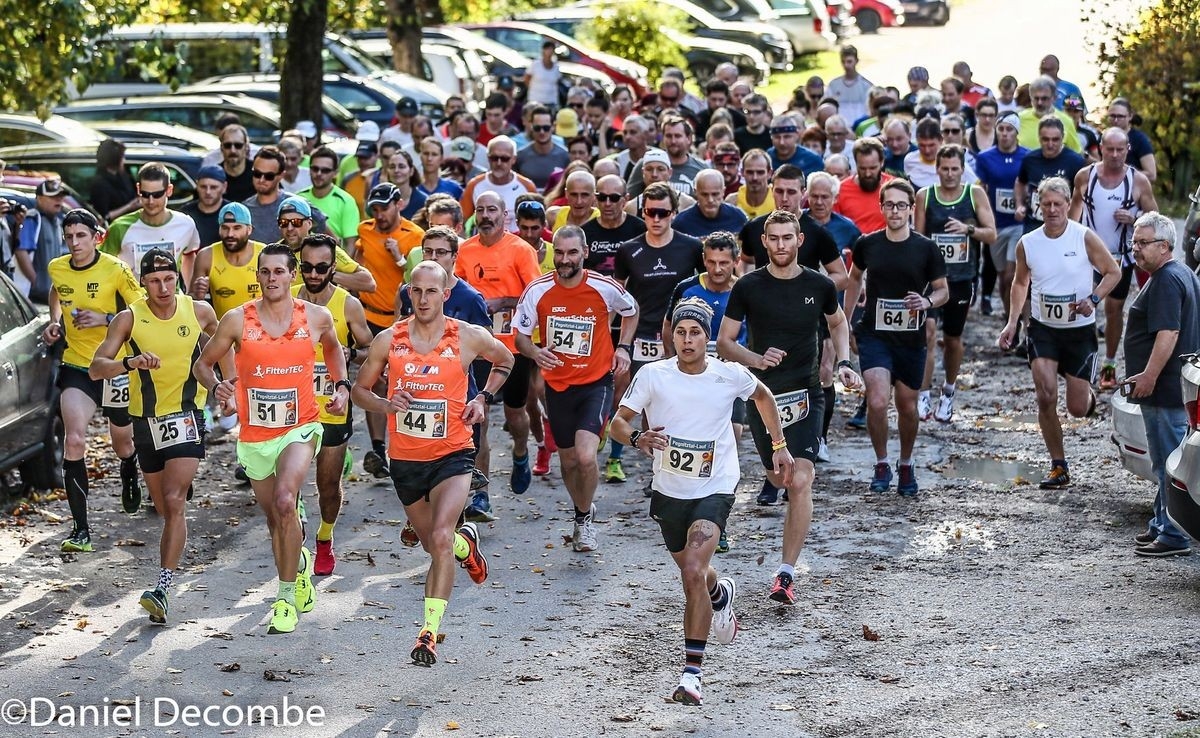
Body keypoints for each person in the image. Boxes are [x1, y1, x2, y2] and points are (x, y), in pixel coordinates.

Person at [613, 297, 793, 706]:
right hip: (669, 490)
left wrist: (779, 445)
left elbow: (764, 397)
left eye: (695, 332)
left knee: (693, 568)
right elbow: (617, 423)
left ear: (707, 337)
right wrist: (638, 438)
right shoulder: (652, 375)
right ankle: (721, 594)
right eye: (680, 332)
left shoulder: (729, 374)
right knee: (696, 573)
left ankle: (692, 674)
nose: (687, 339)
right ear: (671, 335)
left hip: (716, 485)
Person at [353, 260, 512, 665]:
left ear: (445, 294)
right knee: (433, 543)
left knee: (439, 537)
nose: (423, 298)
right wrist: (387, 403)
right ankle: (466, 544)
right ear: (408, 292)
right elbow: (359, 391)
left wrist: (482, 398)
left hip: (453, 453)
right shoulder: (389, 340)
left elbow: (505, 359)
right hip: (406, 459)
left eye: (431, 291)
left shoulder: (468, 337)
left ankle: (428, 633)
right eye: (416, 291)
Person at [193, 243, 350, 634]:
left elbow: (333, 350)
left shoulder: (316, 317)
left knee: (285, 501)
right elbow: (203, 364)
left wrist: (342, 385)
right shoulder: (236, 320)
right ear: (258, 276)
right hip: (254, 435)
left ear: (291, 275)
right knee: (275, 520)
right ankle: (298, 565)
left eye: (279, 271)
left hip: (301, 427)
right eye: (265, 272)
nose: (272, 278)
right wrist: (217, 389)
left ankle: (284, 599)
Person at [718, 210, 860, 603]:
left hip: (806, 393)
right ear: (764, 242)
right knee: (780, 478)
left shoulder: (820, 284)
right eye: (773, 238)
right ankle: (785, 554)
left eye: (787, 238)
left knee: (799, 480)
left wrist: (844, 362)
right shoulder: (748, 286)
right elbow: (726, 342)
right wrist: (756, 358)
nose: (781, 245)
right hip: (763, 397)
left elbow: (838, 323)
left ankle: (785, 574)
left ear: (800, 240)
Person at [89, 247, 226, 623]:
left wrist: (227, 386)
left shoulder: (198, 311)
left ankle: (162, 588)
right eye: (154, 280)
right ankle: (140, 474)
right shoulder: (129, 318)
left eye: (168, 279)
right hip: (144, 422)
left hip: (186, 415)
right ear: (143, 282)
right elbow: (96, 368)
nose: (163, 287)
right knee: (165, 510)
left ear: (176, 278)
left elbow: (225, 345)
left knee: (174, 499)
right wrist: (129, 362)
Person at [514, 225, 638, 551]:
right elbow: (520, 337)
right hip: (557, 386)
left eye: (572, 253)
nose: (565, 259)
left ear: (585, 253)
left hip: (596, 383)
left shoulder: (603, 286)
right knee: (567, 462)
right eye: (560, 252)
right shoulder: (538, 290)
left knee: (585, 456)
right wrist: (535, 351)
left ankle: (585, 519)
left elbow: (631, 310)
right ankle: (582, 511)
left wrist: (623, 347)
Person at [998, 178, 1120, 489]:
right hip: (1042, 330)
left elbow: (1113, 272)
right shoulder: (1028, 242)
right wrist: (1013, 322)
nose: (1052, 210)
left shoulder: (1083, 237)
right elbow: (1020, 283)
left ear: (1068, 205)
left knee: (1077, 408)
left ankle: (1086, 395)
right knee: (1045, 395)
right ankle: (1058, 465)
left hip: (1078, 332)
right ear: (1039, 205)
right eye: (1047, 204)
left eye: (1058, 204)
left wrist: (1093, 300)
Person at [45, 209, 145, 552]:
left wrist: (105, 318)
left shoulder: (116, 269)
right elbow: (56, 293)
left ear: (96, 236)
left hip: (114, 365)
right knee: (74, 440)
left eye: (80, 236)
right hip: (77, 366)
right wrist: (55, 321)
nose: (74, 243)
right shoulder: (57, 267)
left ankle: (129, 465)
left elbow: (142, 311)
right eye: (69, 236)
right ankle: (80, 531)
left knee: (122, 443)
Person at [842, 180, 948, 497]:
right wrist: (844, 322)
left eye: (902, 205)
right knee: (876, 400)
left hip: (910, 340)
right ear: (882, 207)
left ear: (911, 209)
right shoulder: (867, 244)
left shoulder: (926, 248)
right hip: (875, 336)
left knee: (907, 406)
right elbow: (854, 279)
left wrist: (927, 302)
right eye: (890, 205)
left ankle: (906, 462)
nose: (896, 211)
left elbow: (943, 290)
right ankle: (882, 462)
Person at [609, 183, 704, 485]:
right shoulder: (629, 249)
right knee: (630, 399)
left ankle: (663, 470)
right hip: (641, 336)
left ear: (674, 214)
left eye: (663, 212)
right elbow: (617, 296)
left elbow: (706, 283)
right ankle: (614, 456)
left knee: (672, 402)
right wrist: (610, 339)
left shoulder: (691, 247)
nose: (656, 218)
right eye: (650, 212)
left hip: (681, 334)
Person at [292, 234, 374, 575]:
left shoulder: (346, 305)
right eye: (306, 267)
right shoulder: (288, 299)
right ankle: (295, 531)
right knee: (289, 483)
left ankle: (324, 538)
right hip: (291, 407)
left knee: (327, 486)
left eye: (321, 267)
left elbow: (371, 348)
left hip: (333, 407)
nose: (313, 274)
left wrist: (349, 353)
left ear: (333, 267)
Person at [456, 191, 543, 502]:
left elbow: (535, 295)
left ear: (504, 215)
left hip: (513, 346)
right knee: (479, 414)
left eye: (492, 209)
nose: (485, 215)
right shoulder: (465, 250)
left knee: (514, 412)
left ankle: (521, 452)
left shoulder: (520, 250)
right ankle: (482, 493)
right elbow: (457, 293)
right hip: (478, 345)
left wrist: (503, 301)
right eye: (480, 210)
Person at [1123, 213, 1200, 557]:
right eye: (1134, 242)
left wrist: (1149, 376)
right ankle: (1161, 522)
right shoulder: (1179, 272)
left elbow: (1168, 333)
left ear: (1165, 246)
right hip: (1173, 386)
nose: (1135, 249)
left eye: (1142, 243)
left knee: (1165, 461)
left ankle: (1173, 534)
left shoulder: (1168, 279)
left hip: (1164, 387)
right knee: (1167, 459)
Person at [913, 144, 997, 423]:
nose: (949, 174)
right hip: (931, 279)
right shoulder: (925, 196)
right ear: (936, 169)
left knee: (952, 339)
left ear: (962, 169)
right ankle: (923, 393)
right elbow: (918, 237)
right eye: (944, 169)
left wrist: (967, 229)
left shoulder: (974, 194)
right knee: (927, 333)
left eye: (954, 169)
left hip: (962, 278)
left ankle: (948, 390)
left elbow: (991, 234)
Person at [1068, 128, 1157, 391]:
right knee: (1084, 308)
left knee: (1114, 310)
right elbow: (1073, 212)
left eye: (1121, 149)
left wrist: (1134, 218)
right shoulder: (1085, 176)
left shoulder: (1138, 181)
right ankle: (1083, 363)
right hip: (1087, 257)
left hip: (1120, 258)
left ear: (1128, 149)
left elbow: (1155, 218)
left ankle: (1108, 364)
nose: (1115, 155)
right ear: (1101, 148)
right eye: (1110, 149)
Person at [101, 162, 201, 283]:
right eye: (145, 194)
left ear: (169, 190)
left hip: (173, 300)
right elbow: (102, 265)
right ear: (138, 189)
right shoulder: (119, 227)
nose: (151, 201)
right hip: (133, 300)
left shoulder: (186, 224)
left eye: (157, 195)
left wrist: (189, 291)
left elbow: (189, 255)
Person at [974, 111, 1028, 321]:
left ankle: (1014, 320)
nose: (1005, 134)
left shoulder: (1027, 156)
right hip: (996, 225)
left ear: (1017, 132)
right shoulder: (985, 158)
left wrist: (1023, 206)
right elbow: (981, 189)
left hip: (1018, 224)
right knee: (1003, 278)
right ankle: (1009, 316)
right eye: (1001, 129)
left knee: (1011, 275)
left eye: (1009, 129)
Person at [275, 197, 376, 295]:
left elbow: (369, 283)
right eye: (283, 223)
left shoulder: (324, 248)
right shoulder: (273, 252)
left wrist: (326, 274)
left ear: (309, 223)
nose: (289, 228)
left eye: (296, 222)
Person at [1014, 117, 1087, 235]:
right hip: (1034, 225)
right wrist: (1019, 205)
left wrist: (1073, 220)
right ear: (1039, 138)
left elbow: (1082, 195)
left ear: (1063, 138)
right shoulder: (1030, 159)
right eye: (1045, 139)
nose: (1050, 144)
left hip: (1064, 228)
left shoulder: (1076, 162)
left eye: (1055, 140)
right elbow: (1020, 182)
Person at [461, 136, 537, 232]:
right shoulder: (474, 185)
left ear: (513, 159)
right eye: (494, 158)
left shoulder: (527, 187)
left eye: (504, 158)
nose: (499, 163)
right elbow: (463, 221)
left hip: (516, 243)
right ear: (488, 158)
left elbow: (536, 222)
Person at [298, 147, 360, 255]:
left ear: (335, 173)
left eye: (325, 170)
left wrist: (345, 269)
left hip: (332, 262)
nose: (319, 173)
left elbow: (350, 243)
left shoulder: (346, 201)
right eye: (315, 169)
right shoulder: (298, 198)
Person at [14, 178, 68, 304]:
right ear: (39, 198)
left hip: (49, 297)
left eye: (61, 196)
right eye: (54, 196)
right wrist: (35, 281)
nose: (59, 200)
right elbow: (21, 251)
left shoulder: (57, 222)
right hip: (33, 298)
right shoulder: (32, 218)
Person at [582, 175, 647, 277]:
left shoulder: (640, 229)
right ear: (595, 199)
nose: (607, 203)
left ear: (626, 199)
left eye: (614, 198)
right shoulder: (584, 233)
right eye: (602, 197)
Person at [627, 115, 706, 198]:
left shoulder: (701, 169)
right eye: (668, 136)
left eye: (677, 136)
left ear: (688, 138)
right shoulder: (647, 164)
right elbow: (630, 199)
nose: (673, 141)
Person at [833, 138, 893, 235]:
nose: (868, 173)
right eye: (862, 168)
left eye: (873, 168)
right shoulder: (840, 190)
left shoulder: (895, 187)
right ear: (856, 164)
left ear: (882, 163)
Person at [673, 170, 748, 239]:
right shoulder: (681, 223)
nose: (710, 200)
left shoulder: (738, 217)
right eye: (704, 194)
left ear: (723, 192)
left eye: (715, 194)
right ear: (696, 193)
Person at [1018, 77, 1082, 153]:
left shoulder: (1066, 121)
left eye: (1044, 98)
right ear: (1031, 98)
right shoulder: (1019, 119)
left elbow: (1076, 154)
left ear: (1054, 98)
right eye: (1036, 98)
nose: (1040, 103)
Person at [242, 146, 291, 245]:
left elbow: (327, 237)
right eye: (257, 174)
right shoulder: (244, 209)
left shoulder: (295, 204)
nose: (261, 180)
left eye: (269, 176)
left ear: (281, 176)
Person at [90, 138, 139, 223]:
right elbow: (103, 217)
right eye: (122, 157)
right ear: (115, 159)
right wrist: (129, 207)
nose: (124, 160)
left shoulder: (123, 176)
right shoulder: (100, 184)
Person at [1107, 98, 1156, 182]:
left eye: (1120, 116)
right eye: (1112, 116)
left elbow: (1151, 175)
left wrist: (1122, 174)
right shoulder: (1103, 137)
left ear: (1130, 116)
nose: (1115, 120)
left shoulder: (1139, 139)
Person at [179, 165, 229, 248]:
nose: (208, 192)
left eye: (213, 187)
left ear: (224, 187)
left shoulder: (232, 212)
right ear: (197, 186)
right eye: (203, 187)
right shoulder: (185, 214)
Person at [765, 113, 824, 177]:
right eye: (777, 137)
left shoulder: (813, 161)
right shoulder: (766, 159)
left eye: (787, 137)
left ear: (797, 135)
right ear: (771, 137)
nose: (782, 142)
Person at [826, 46, 873, 126]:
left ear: (856, 61)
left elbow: (870, 110)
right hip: (840, 127)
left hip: (860, 126)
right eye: (843, 62)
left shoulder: (866, 86)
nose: (846, 65)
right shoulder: (833, 85)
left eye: (849, 61)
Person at [726, 150, 775, 220]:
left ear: (770, 173)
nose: (755, 178)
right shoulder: (732, 202)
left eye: (760, 172)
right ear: (742, 172)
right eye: (750, 172)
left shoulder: (779, 199)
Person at [218, 124, 254, 202]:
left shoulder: (259, 173)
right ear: (221, 148)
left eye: (238, 145)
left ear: (246, 147)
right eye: (228, 145)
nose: (233, 150)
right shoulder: (213, 175)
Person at [525, 40, 562, 107]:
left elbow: (557, 81)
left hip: (551, 100)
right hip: (535, 99)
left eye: (551, 49)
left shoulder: (556, 66)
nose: (549, 51)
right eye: (547, 49)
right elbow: (527, 78)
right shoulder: (535, 64)